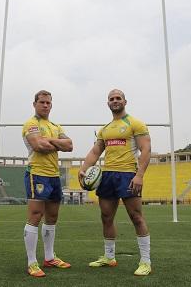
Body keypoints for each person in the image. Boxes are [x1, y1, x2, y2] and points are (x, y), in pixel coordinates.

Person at [79, 89, 152, 276]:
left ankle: (145, 261)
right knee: (106, 217)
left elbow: (145, 150)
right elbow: (95, 152)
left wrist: (140, 175)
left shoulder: (135, 123)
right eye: (111, 99)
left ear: (125, 101)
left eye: (118, 98)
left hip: (128, 174)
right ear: (108, 103)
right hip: (108, 176)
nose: (115, 101)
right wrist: (83, 168)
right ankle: (109, 257)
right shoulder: (105, 129)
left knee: (136, 217)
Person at [22, 90, 73, 277]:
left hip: (53, 175)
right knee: (35, 216)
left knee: (52, 217)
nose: (45, 105)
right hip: (37, 174)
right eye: (42, 102)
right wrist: (56, 143)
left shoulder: (55, 126)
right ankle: (32, 262)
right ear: (34, 104)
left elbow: (69, 145)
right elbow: (38, 146)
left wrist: (50, 139)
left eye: (48, 103)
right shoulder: (31, 123)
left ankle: (49, 257)